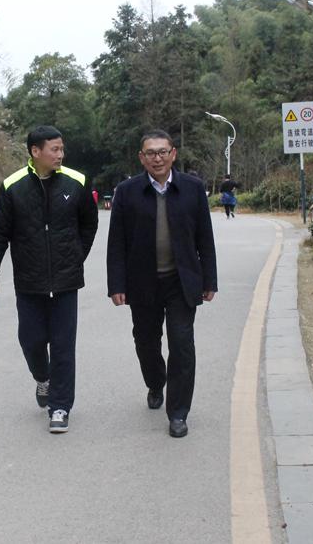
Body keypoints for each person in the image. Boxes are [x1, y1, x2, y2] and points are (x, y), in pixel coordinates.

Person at [0, 125, 98, 434]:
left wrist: (75, 256)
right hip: (29, 282)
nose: (60, 154)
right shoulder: (13, 186)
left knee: (63, 346)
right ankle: (42, 379)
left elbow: (89, 224)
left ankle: (60, 407)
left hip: (66, 282)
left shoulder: (77, 181)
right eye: (54, 149)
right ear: (35, 151)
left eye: (62, 149)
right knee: (31, 340)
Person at [106, 130, 217, 438]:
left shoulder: (193, 188)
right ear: (141, 158)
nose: (157, 158)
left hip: (181, 282)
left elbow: (205, 238)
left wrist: (209, 279)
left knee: (182, 345)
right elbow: (116, 243)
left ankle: (178, 412)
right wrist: (116, 284)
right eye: (151, 153)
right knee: (146, 343)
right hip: (143, 282)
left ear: (173, 154)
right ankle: (156, 383)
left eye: (162, 152)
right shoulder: (126, 192)